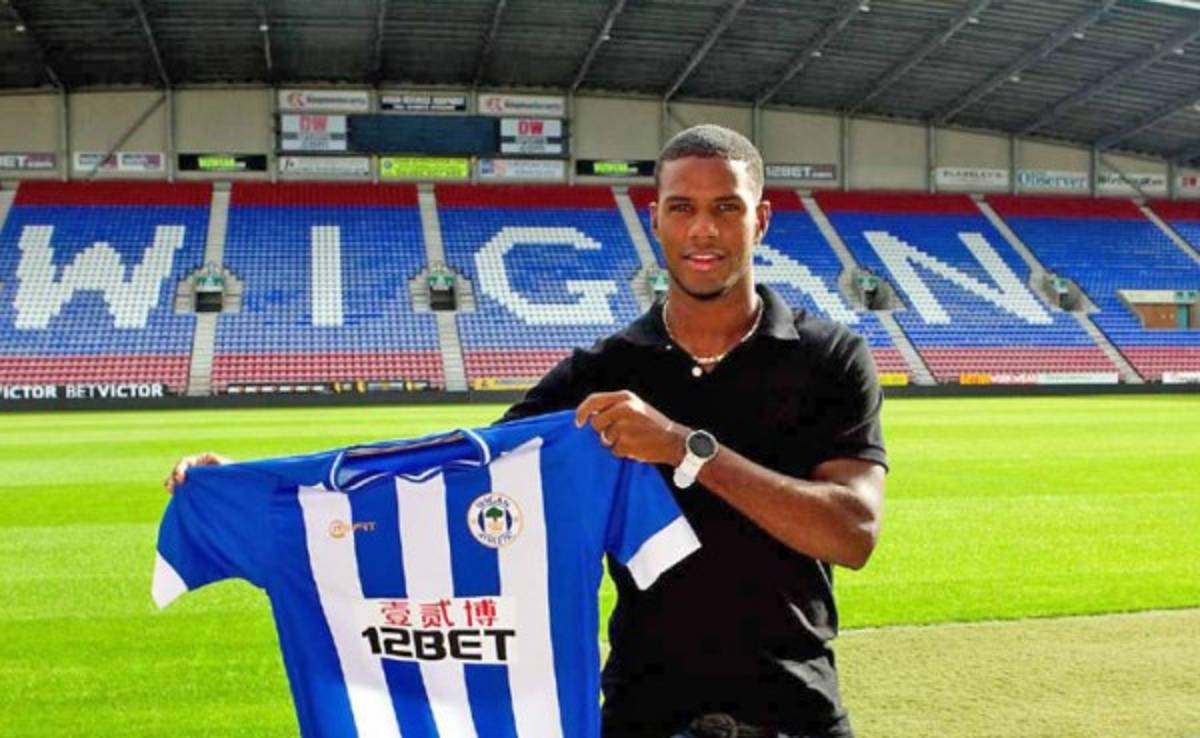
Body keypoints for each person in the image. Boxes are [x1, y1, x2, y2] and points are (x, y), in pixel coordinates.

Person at [168, 124, 887, 738]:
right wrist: (268, 490)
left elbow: (851, 533)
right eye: (683, 207)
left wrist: (685, 449)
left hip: (797, 708)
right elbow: (454, 483)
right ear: (655, 219)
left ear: (761, 220)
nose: (704, 229)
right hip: (646, 709)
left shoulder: (830, 359)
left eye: (727, 207)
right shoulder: (600, 373)